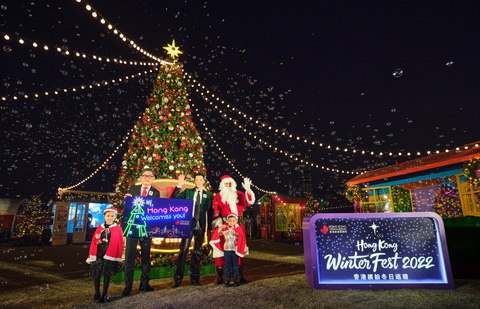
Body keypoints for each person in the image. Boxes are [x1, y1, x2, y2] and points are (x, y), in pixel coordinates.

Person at [122, 168, 160, 296]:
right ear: (141, 177)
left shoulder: (156, 193)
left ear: (153, 178)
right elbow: (127, 207)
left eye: (150, 176)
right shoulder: (132, 189)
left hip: (146, 228)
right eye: (145, 176)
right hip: (132, 227)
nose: (147, 178)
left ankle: (144, 284)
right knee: (129, 257)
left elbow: (156, 210)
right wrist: (126, 200)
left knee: (146, 257)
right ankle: (128, 286)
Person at [211, 175, 255, 284]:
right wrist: (219, 225)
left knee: (239, 248)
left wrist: (248, 190)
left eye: (230, 183)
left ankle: (239, 276)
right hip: (223, 225)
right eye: (226, 183)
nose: (228, 185)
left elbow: (250, 202)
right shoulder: (217, 196)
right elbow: (215, 213)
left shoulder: (239, 195)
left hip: (237, 226)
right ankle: (220, 277)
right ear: (222, 185)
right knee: (220, 250)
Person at [171, 173, 213, 288]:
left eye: (201, 179)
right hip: (188, 224)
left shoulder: (208, 195)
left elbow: (209, 212)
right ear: (194, 181)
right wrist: (179, 186)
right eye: (197, 180)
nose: (199, 181)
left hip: (200, 226)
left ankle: (195, 278)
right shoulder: (188, 192)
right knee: (183, 250)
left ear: (203, 182)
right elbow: (175, 199)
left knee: (197, 252)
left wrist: (209, 228)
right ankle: (178, 279)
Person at [86, 207, 123, 303]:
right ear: (104, 216)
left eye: (112, 216)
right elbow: (95, 240)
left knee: (107, 273)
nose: (110, 218)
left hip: (109, 253)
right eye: (108, 216)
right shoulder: (100, 227)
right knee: (97, 273)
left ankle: (105, 293)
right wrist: (97, 240)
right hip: (99, 253)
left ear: (115, 217)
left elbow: (118, 242)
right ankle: (97, 294)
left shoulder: (118, 228)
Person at [214, 213, 247, 287]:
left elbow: (242, 237)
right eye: (230, 221)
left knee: (235, 266)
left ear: (236, 221)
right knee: (228, 266)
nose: (232, 223)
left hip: (235, 250)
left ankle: (235, 279)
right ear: (227, 221)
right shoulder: (225, 229)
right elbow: (218, 234)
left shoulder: (238, 229)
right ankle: (227, 279)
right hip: (227, 250)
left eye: (233, 221)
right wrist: (220, 228)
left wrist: (238, 235)